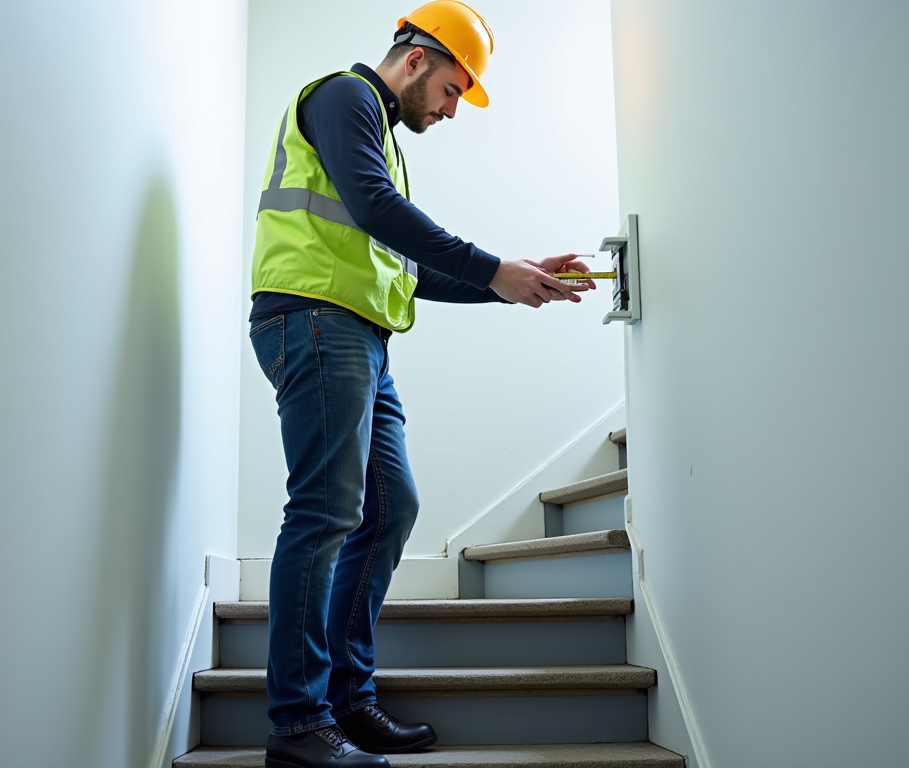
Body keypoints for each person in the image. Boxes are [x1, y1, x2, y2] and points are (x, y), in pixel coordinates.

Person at [248, 3, 595, 766]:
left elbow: (402, 257)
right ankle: (298, 728)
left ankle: (347, 700)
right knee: (324, 513)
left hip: (358, 335)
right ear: (415, 59)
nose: (448, 110)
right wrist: (490, 267)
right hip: (312, 322)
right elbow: (377, 209)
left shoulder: (375, 130)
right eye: (450, 91)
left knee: (390, 505)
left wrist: (512, 280)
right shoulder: (343, 98)